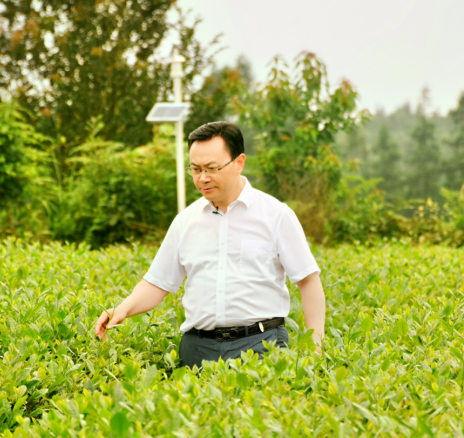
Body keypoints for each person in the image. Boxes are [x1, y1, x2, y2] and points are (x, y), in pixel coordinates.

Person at [94, 122, 326, 368]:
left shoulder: (276, 215)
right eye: (195, 169)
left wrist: (315, 349)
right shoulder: (186, 221)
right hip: (198, 348)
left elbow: (308, 281)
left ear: (239, 163)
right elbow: (158, 283)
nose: (203, 178)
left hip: (262, 345)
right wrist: (120, 310)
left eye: (212, 168)